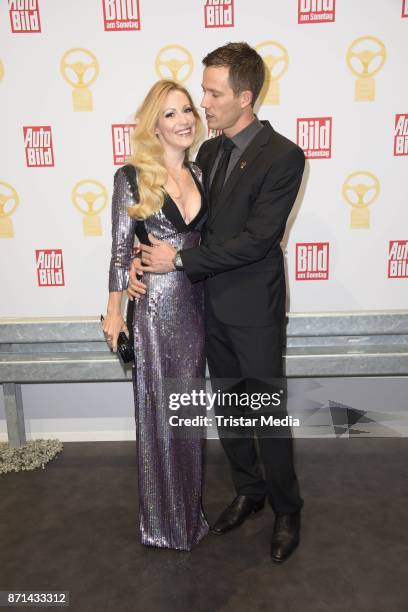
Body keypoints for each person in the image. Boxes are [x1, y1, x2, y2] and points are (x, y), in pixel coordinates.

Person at [129, 43, 305, 564]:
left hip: (253, 310)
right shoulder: (207, 154)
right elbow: (180, 224)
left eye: (212, 93)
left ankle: (287, 507)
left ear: (244, 98)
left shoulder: (285, 156)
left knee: (265, 412)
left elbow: (256, 240)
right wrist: (139, 266)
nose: (203, 102)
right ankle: (249, 492)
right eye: (202, 90)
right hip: (207, 309)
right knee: (229, 411)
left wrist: (178, 263)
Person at [102, 80, 209, 551]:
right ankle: (162, 523)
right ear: (155, 126)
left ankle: (188, 515)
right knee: (158, 413)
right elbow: (120, 250)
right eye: (170, 114)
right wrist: (114, 311)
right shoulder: (132, 177)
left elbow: (208, 244)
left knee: (187, 416)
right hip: (155, 312)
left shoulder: (202, 174)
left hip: (198, 306)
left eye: (187, 110)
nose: (184, 119)